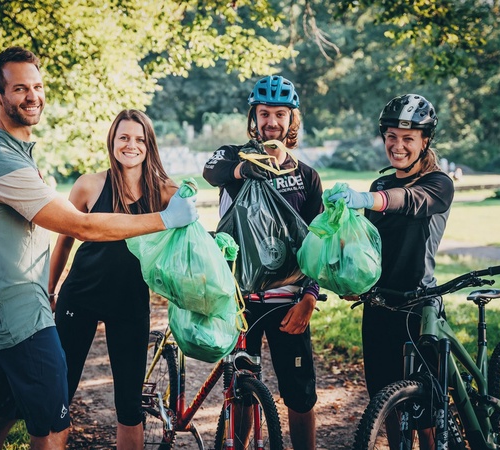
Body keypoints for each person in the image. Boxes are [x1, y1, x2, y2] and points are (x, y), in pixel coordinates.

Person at [0, 47, 198, 450]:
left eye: (37, 86)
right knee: (53, 427)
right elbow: (79, 227)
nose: (32, 95)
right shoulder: (2, 159)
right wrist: (165, 219)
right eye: (20, 88)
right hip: (22, 312)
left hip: (20, 303)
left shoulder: (18, 154)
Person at [202, 75, 323, 450]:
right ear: (253, 117)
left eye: (280, 114)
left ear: (292, 121)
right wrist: (243, 169)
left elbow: (318, 247)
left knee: (301, 397)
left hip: (290, 303)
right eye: (264, 113)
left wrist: (310, 299)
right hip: (239, 304)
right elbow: (211, 170)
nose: (272, 121)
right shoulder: (233, 156)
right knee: (240, 389)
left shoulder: (306, 177)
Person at [47, 109, 175, 450]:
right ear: (112, 141)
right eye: (124, 137)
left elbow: (188, 238)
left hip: (130, 303)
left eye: (139, 139)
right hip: (80, 297)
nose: (130, 145)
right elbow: (64, 240)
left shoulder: (163, 192)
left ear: (149, 146)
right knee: (60, 393)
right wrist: (49, 289)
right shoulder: (90, 184)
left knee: (129, 406)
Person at [329, 93, 454, 423]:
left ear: (425, 141)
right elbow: (366, 246)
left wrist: (368, 198)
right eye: (392, 137)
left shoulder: (439, 183)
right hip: (379, 306)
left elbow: (409, 200)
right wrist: (347, 274)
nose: (398, 146)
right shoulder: (381, 182)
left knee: (425, 415)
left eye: (408, 139)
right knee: (385, 405)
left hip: (418, 307)